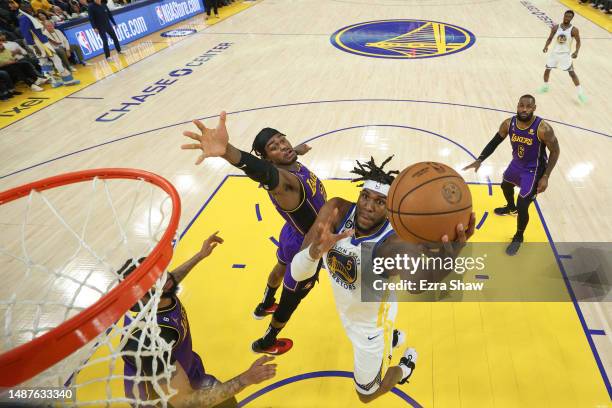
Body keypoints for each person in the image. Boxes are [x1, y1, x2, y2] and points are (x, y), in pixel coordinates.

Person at [289, 157, 476, 403]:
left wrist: (449, 259)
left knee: (366, 395)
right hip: (347, 311)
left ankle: (405, 367)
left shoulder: (393, 243)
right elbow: (297, 274)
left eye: (380, 202)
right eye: (365, 196)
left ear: (391, 209)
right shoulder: (337, 210)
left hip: (371, 329)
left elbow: (417, 286)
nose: (368, 206)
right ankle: (394, 340)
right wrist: (314, 251)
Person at [181, 112, 327, 355]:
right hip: (307, 244)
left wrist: (297, 149)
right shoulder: (284, 182)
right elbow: (264, 172)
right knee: (291, 300)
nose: (284, 147)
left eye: (283, 140)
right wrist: (227, 151)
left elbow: (278, 160)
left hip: (292, 233)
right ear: (266, 158)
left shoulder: (288, 162)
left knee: (279, 266)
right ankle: (268, 340)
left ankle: (266, 303)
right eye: (274, 147)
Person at [121, 232, 278, 407]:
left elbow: (171, 279)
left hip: (187, 372)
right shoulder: (148, 342)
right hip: (165, 400)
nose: (162, 278)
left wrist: (199, 256)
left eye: (158, 272)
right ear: (140, 299)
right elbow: (185, 402)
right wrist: (247, 378)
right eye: (152, 281)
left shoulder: (161, 292)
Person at [463, 94, 560, 255]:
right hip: (517, 164)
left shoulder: (543, 129)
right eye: (521, 105)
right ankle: (510, 207)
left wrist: (546, 176)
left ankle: (518, 237)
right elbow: (495, 141)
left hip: (534, 170)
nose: (524, 109)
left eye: (528, 106)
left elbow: (555, 151)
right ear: (517, 106)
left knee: (524, 205)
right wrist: (480, 159)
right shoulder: (509, 124)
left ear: (534, 108)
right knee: (505, 185)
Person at [16, 3, 80, 86]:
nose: (30, 9)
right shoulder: (24, 17)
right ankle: (67, 80)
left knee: (44, 62)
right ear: (24, 8)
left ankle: (53, 82)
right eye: (28, 7)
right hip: (40, 43)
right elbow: (25, 32)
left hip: (39, 42)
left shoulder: (25, 16)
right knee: (56, 59)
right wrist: (34, 45)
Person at [538, 10, 586, 103]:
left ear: (572, 18)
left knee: (572, 73)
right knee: (547, 70)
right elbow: (550, 38)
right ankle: (545, 86)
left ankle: (580, 93)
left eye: (569, 17)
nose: (567, 18)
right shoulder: (556, 27)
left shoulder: (574, 30)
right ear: (563, 16)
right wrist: (546, 46)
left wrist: (576, 51)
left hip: (565, 55)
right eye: (566, 16)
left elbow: (578, 42)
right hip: (554, 54)